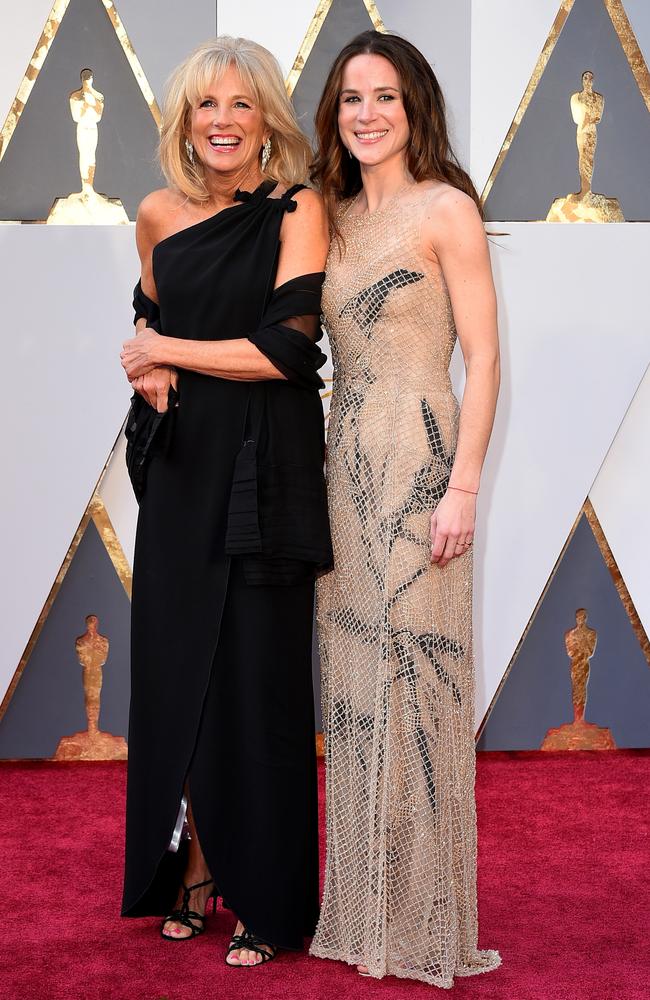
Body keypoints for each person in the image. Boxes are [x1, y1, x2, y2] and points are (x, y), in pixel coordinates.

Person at [119, 36, 331, 968]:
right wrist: (146, 356)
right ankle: (197, 871)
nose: (223, 121)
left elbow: (286, 352)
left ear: (266, 119)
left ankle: (264, 893)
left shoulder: (299, 208)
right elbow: (152, 317)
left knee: (258, 681)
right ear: (184, 120)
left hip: (265, 469)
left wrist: (169, 355)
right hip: (180, 467)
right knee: (183, 683)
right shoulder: (158, 212)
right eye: (207, 105)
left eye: (241, 105)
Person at [309, 30, 501, 986]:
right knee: (354, 686)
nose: (369, 114)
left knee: (419, 682)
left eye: (385, 96)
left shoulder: (446, 209)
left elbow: (486, 357)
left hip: (421, 457)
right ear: (334, 115)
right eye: (352, 99)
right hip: (341, 464)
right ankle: (363, 906)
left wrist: (461, 485)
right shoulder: (329, 217)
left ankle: (425, 919)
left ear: (414, 104)